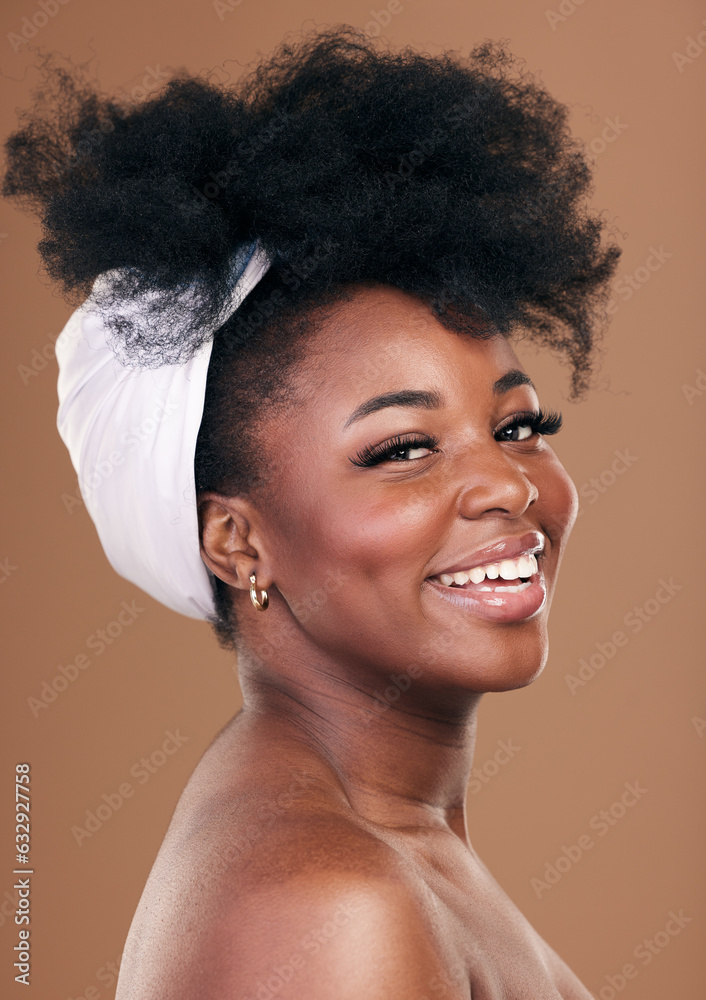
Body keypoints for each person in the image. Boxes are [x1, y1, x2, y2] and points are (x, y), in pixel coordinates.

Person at [3, 26, 620, 998]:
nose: (506, 485)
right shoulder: (328, 903)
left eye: (517, 423)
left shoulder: (384, 842)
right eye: (401, 448)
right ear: (237, 540)